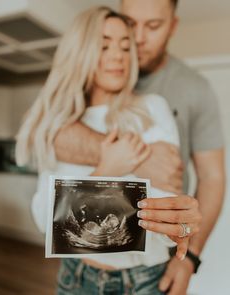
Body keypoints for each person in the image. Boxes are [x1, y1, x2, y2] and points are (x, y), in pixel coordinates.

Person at [16, 6, 201, 295]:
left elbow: (166, 207)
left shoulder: (152, 108)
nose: (118, 55)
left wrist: (180, 226)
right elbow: (44, 219)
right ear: (80, 51)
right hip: (75, 277)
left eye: (125, 47)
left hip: (144, 281)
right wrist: (106, 167)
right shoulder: (59, 123)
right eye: (104, 45)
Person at [53, 1, 226, 294]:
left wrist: (189, 259)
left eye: (154, 26)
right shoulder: (78, 93)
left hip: (150, 261)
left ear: (173, 26)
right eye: (130, 25)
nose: (138, 38)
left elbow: (212, 178)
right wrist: (131, 156)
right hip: (78, 267)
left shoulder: (193, 89)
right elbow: (56, 138)